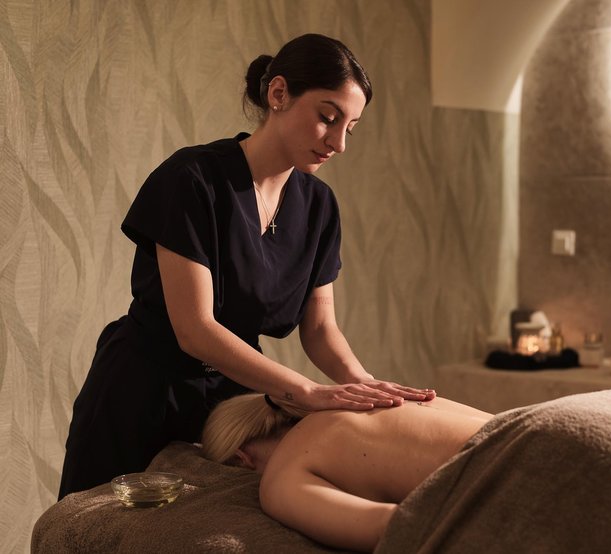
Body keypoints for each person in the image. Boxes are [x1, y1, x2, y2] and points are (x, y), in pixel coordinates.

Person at [58, 33, 434, 500]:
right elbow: (195, 330)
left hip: (231, 404)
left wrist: (368, 388)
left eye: (350, 128)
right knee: (95, 525)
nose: (338, 143)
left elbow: (320, 329)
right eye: (327, 118)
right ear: (278, 93)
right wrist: (305, 392)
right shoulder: (192, 178)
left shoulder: (319, 206)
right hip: (140, 393)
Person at [201, 393, 493, 552]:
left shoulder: (280, 477)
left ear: (241, 458)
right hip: (518, 425)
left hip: (502, 473)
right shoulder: (372, 396)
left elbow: (398, 528)